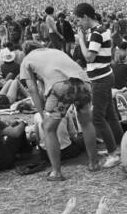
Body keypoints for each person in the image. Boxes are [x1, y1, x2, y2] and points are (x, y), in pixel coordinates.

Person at [20, 42, 100, 180]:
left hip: (61, 86)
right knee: (86, 123)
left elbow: (32, 90)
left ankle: (56, 172)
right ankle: (94, 163)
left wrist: (42, 114)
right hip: (84, 82)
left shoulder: (27, 60)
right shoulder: (56, 51)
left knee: (48, 128)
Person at [75, 3, 123, 169]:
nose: (79, 23)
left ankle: (113, 153)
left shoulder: (96, 33)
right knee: (110, 114)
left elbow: (89, 57)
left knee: (97, 118)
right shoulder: (102, 29)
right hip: (105, 75)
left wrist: (81, 40)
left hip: (100, 79)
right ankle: (119, 147)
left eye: (79, 20)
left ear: (86, 17)